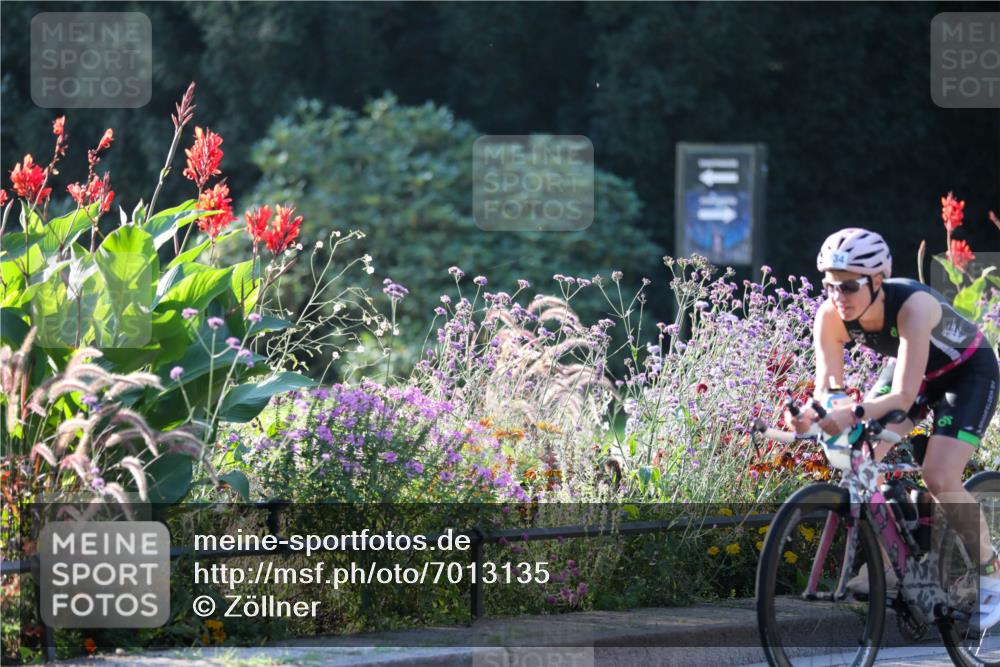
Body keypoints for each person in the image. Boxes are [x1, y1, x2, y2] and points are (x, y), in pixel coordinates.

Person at [785, 227, 1000, 633]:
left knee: (939, 475)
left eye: (849, 287)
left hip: (967, 374)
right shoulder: (830, 316)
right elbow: (828, 390)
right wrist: (810, 415)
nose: (838, 297)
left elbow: (901, 397)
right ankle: (884, 566)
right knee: (859, 459)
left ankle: (993, 573)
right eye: (830, 285)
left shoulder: (913, 305)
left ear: (878, 280)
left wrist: (854, 411)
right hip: (914, 373)